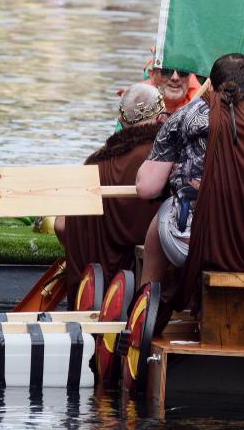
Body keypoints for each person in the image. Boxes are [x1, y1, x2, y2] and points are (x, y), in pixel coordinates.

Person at [136, 54, 244, 315]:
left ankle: (146, 309)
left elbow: (146, 187)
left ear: (211, 86)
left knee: (164, 213)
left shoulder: (186, 116)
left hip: (193, 245)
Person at [55, 83, 166, 304]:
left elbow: (60, 225)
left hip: (86, 292)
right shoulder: (161, 156)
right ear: (161, 119)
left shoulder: (95, 161)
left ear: (122, 122)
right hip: (130, 298)